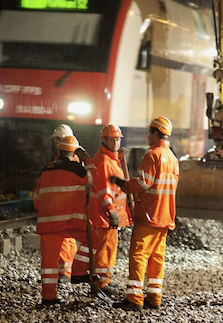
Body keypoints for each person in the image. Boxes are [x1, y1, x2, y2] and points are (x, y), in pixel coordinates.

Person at [110, 116, 180, 311]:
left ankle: (134, 297)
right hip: (165, 216)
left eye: (150, 131)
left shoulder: (153, 156)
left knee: (139, 255)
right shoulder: (172, 159)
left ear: (157, 133)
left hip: (150, 214)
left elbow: (144, 183)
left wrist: (124, 184)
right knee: (157, 257)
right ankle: (154, 296)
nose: (148, 135)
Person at [33, 135, 93, 305]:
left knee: (49, 264)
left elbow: (36, 200)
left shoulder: (45, 169)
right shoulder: (75, 169)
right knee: (94, 241)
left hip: (47, 225)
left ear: (58, 150)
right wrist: (86, 158)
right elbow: (94, 177)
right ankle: (79, 271)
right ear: (74, 151)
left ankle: (48, 297)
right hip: (68, 223)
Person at [78, 124, 132, 295]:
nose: (116, 142)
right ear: (105, 140)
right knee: (104, 249)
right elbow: (104, 191)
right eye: (113, 139)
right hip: (105, 214)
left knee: (109, 247)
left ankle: (105, 279)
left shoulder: (109, 158)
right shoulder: (105, 162)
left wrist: (118, 156)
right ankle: (101, 284)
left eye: (118, 139)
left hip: (107, 214)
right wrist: (111, 212)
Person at [50, 124, 78, 283]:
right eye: (56, 140)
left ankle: (65, 272)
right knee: (65, 239)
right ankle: (64, 270)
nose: (57, 143)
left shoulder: (71, 161)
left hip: (67, 207)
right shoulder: (64, 159)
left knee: (66, 238)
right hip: (63, 206)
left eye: (59, 140)